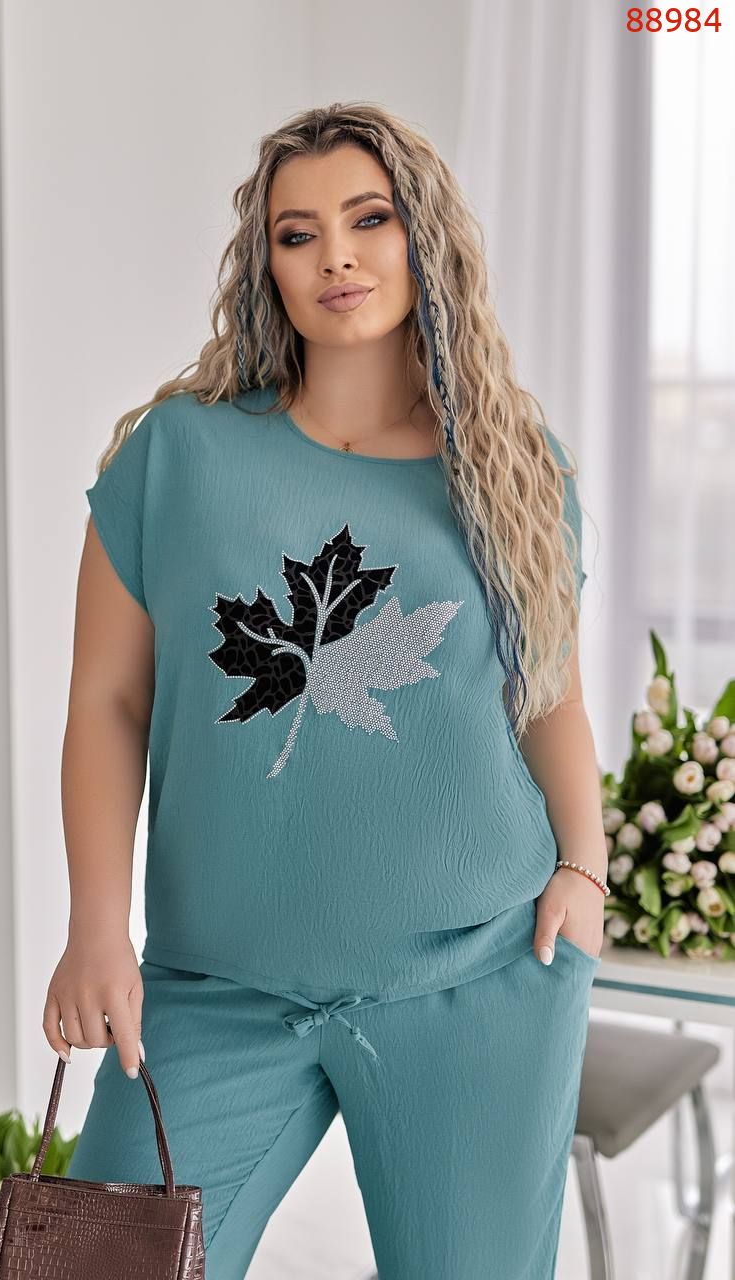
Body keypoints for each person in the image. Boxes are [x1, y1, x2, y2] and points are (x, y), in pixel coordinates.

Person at [45, 101, 607, 1279]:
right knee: (96, 1264)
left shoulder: (511, 467)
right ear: (267, 266)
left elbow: (546, 688)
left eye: (368, 219)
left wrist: (584, 867)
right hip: (211, 983)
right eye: (297, 235)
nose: (335, 257)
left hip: (478, 977)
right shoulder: (175, 456)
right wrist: (96, 923)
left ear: (423, 238)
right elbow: (108, 700)